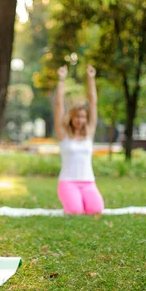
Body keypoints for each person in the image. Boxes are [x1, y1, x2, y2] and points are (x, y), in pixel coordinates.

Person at [53, 64, 104, 215]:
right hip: (68, 182)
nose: (80, 120)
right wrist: (61, 79)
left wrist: (90, 78)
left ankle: (82, 199)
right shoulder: (63, 134)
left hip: (88, 182)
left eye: (82, 116)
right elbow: (58, 104)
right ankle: (72, 200)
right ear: (71, 117)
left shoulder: (89, 133)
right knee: (75, 211)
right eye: (76, 116)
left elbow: (93, 103)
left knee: (96, 210)